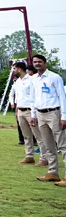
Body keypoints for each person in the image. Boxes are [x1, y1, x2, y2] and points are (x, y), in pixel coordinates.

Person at [29, 54, 66, 185]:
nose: (37, 64)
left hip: (54, 113)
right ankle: (53, 173)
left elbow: (62, 97)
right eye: (35, 62)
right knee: (48, 145)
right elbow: (33, 98)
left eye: (39, 62)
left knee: (62, 145)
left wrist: (64, 117)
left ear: (45, 63)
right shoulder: (33, 79)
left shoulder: (54, 77)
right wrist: (33, 115)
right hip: (40, 114)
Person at [10, 61, 43, 166]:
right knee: (26, 135)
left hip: (30, 110)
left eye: (14, 68)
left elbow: (36, 95)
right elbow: (16, 96)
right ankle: (29, 156)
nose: (13, 71)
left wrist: (34, 112)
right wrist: (17, 110)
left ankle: (44, 157)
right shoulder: (17, 82)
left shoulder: (32, 80)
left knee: (38, 135)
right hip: (21, 111)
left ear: (19, 69)